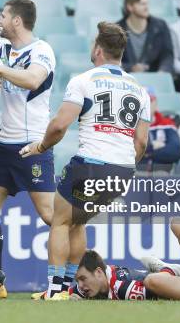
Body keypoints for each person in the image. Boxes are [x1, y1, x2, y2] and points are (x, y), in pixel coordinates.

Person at [21, 22, 151, 300]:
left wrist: (42, 145)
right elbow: (141, 142)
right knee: (78, 223)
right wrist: (125, 166)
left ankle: (56, 289)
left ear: (98, 49)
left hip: (91, 164)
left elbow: (59, 125)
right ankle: (71, 288)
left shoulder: (84, 80)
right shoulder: (139, 89)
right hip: (123, 170)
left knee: (60, 221)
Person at [0, 0, 57, 291]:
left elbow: (32, 80)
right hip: (2, 145)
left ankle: (71, 278)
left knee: (51, 216)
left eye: (3, 15)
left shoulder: (41, 50)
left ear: (17, 21)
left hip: (33, 147)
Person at [117, 0, 173, 74]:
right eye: (142, 4)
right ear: (130, 7)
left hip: (154, 78)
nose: (147, 7)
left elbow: (167, 55)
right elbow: (110, 60)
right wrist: (131, 68)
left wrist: (162, 71)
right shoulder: (116, 30)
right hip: (126, 79)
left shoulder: (160, 26)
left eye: (147, 4)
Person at [71, 250, 157, 300]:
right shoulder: (83, 289)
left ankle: (166, 268)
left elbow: (161, 292)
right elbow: (62, 295)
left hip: (160, 279)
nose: (80, 285)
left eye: (83, 279)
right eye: (77, 281)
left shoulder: (122, 287)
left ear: (98, 273)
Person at [138, 87, 180, 174]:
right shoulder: (128, 125)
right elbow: (131, 153)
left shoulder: (167, 123)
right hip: (137, 172)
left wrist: (148, 152)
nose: (146, 105)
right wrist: (153, 146)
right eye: (142, 101)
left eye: (150, 101)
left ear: (156, 103)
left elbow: (175, 151)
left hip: (163, 172)